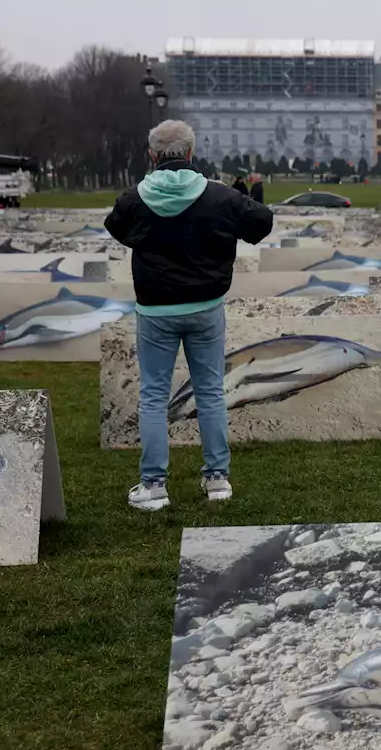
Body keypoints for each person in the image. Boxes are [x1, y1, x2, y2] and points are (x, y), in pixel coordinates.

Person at [105, 120, 274, 512]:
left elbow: (117, 227)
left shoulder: (134, 199)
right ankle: (217, 479)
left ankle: (153, 485)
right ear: (191, 153)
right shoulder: (219, 197)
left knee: (153, 396)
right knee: (211, 391)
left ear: (152, 156)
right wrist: (238, 201)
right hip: (205, 307)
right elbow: (262, 223)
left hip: (155, 309)